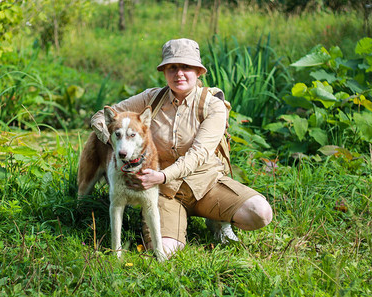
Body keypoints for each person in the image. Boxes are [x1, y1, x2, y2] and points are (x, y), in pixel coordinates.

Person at [91, 38, 272, 257]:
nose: (179, 73)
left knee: (260, 213)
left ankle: (217, 221)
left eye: (186, 67)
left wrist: (162, 176)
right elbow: (102, 117)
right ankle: (176, 222)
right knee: (166, 253)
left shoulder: (212, 104)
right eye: (172, 67)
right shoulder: (152, 98)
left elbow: (199, 154)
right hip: (166, 194)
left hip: (207, 185)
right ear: (164, 71)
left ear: (198, 71)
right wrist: (118, 142)